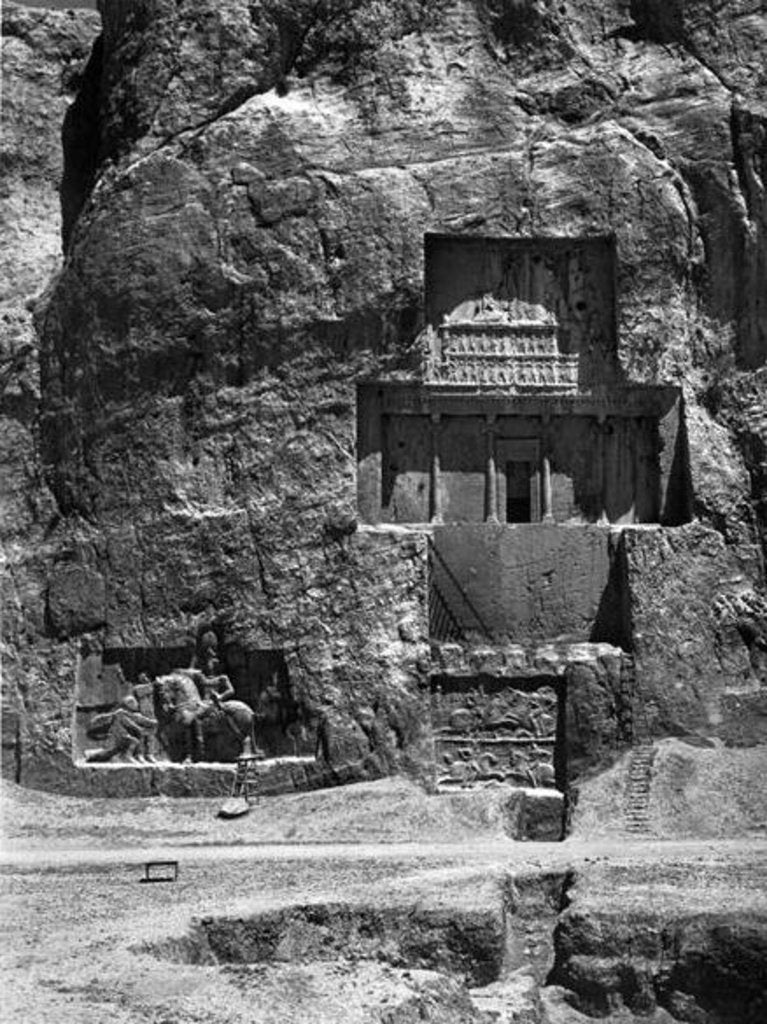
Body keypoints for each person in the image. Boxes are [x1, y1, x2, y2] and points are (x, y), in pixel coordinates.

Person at [85, 695, 157, 763]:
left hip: (121, 735)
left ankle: (139, 755)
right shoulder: (120, 713)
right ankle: (127, 756)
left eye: (135, 702)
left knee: (112, 752)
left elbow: (141, 720)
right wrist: (139, 729)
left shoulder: (133, 714)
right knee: (131, 742)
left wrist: (152, 723)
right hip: (116, 735)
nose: (136, 704)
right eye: (132, 702)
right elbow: (129, 723)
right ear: (128, 704)